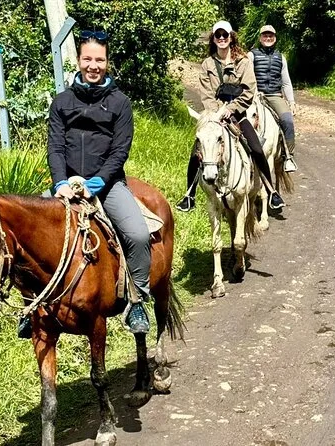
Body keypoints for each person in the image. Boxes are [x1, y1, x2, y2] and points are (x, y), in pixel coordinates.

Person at [44, 30, 150, 335]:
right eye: (88, 59)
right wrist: (60, 183)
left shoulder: (120, 103)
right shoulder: (61, 102)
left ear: (107, 62)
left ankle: (137, 301)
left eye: (100, 60)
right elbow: (55, 148)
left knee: (138, 234)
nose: (93, 66)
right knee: (29, 232)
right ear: (78, 60)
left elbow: (120, 150)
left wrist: (98, 182)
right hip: (65, 185)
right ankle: (35, 304)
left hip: (107, 184)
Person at [176, 20, 285, 212]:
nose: (221, 38)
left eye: (224, 35)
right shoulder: (207, 64)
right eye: (218, 35)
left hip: (238, 115)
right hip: (214, 116)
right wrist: (216, 113)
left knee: (257, 148)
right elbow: (206, 94)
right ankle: (189, 194)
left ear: (231, 37)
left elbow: (249, 90)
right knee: (197, 151)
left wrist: (231, 108)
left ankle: (271, 191)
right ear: (213, 39)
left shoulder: (243, 62)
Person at [248, 25, 297, 159]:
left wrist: (291, 101)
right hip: (255, 95)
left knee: (287, 121)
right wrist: (254, 94)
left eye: (270, 36)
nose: (268, 38)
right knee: (245, 121)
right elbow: (248, 78)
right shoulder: (251, 55)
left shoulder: (281, 57)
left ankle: (288, 156)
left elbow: (286, 82)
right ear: (260, 38)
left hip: (275, 96)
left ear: (274, 38)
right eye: (265, 36)